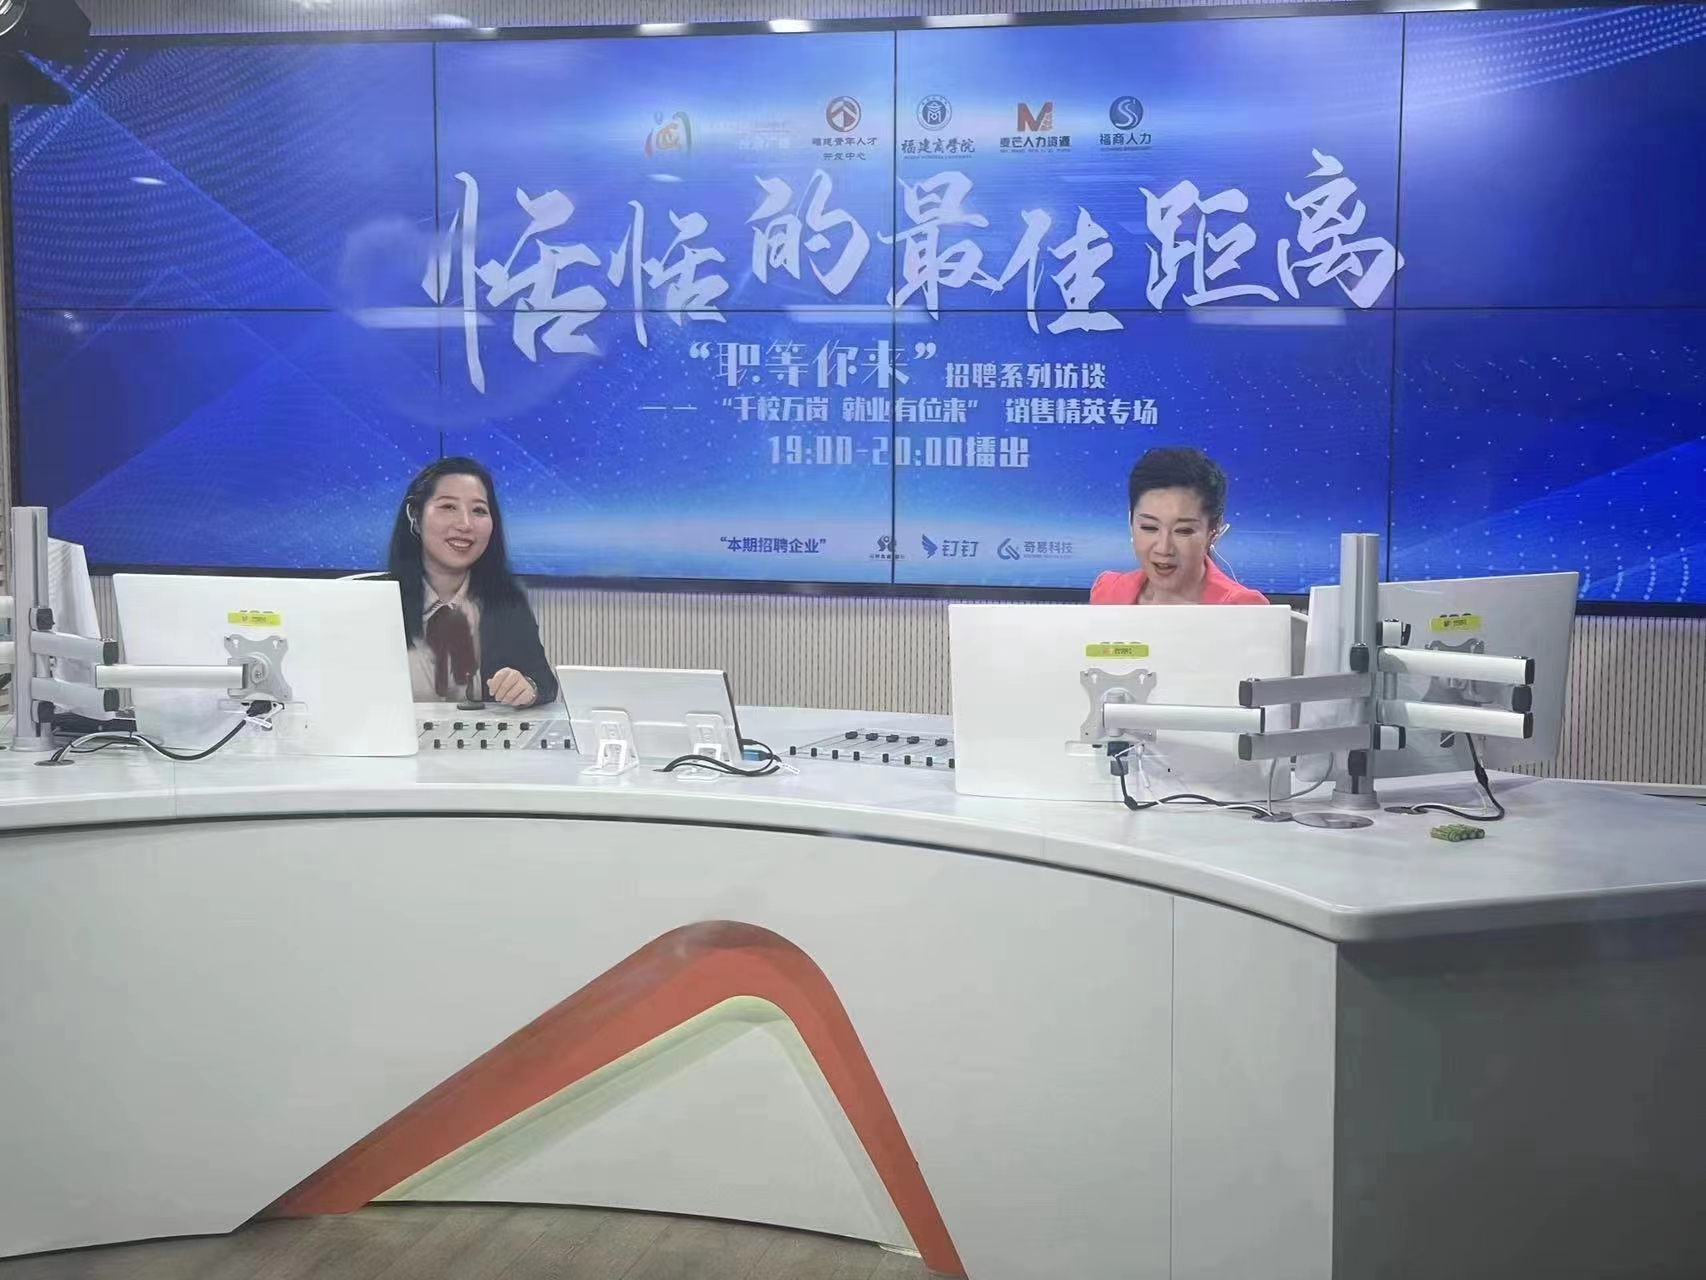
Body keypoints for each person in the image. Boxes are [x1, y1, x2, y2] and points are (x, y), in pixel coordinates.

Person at [386, 457, 558, 707]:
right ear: (414, 514)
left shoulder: (506, 601)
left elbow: (544, 682)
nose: (465, 524)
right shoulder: (375, 601)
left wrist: (527, 688)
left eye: (479, 510)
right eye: (449, 507)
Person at [1091, 446, 1269, 605]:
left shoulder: (1243, 607)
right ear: (1131, 520)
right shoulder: (1107, 591)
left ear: (1213, 529)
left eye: (1183, 531)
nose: (1164, 549)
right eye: (1149, 527)